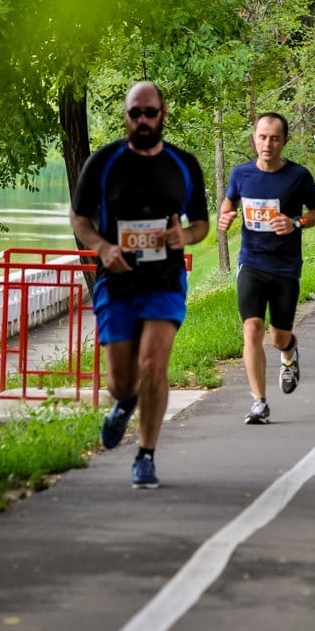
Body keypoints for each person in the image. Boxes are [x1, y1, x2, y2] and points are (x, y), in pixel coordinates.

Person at [70, 81, 209, 489]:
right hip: (117, 281)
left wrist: (183, 236)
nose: (143, 120)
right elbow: (79, 218)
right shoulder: (104, 161)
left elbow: (199, 223)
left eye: (150, 112)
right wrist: (101, 247)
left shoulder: (183, 164)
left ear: (163, 114)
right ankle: (125, 402)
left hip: (164, 281)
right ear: (126, 117)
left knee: (154, 365)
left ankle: (145, 455)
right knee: (121, 382)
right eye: (136, 113)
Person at [217, 112, 315, 424]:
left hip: (285, 267)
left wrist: (295, 222)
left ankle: (289, 354)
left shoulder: (298, 176)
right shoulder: (240, 174)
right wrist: (226, 217)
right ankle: (259, 402)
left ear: (284, 141)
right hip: (251, 262)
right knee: (252, 328)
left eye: (274, 138)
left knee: (278, 337)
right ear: (254, 139)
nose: (268, 143)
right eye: (262, 137)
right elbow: (228, 203)